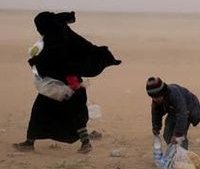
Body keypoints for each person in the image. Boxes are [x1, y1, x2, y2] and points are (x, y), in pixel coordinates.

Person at [14, 11, 121, 154]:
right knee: (66, 109)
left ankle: (83, 143)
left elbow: (53, 57)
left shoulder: (56, 35)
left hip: (67, 79)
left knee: (49, 109)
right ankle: (84, 143)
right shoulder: (60, 30)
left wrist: (35, 61)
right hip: (68, 78)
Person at [147, 77, 200, 150]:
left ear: (162, 93)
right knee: (167, 135)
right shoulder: (156, 100)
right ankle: (174, 151)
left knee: (179, 138)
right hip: (174, 111)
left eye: (157, 97)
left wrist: (178, 134)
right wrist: (156, 128)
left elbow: (182, 114)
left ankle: (182, 153)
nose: (155, 99)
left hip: (189, 109)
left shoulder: (174, 94)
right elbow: (156, 114)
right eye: (153, 97)